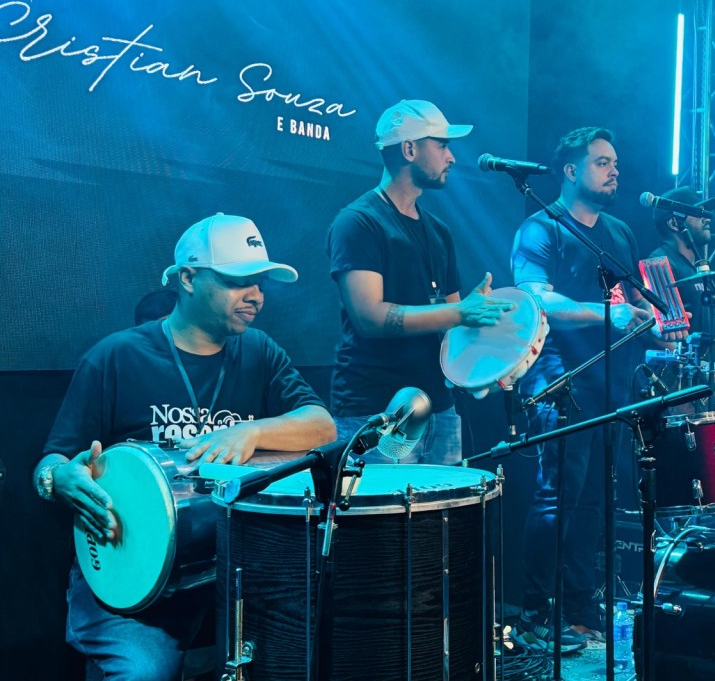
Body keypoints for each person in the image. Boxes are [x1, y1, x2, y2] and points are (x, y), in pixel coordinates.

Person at [32, 213, 337, 681]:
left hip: (231, 569)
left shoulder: (259, 351)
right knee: (144, 671)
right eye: (238, 281)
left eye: (259, 282)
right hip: (134, 574)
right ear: (189, 279)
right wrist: (59, 478)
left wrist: (252, 432)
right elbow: (52, 461)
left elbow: (321, 425)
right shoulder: (116, 356)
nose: (256, 295)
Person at [510, 126, 668, 651]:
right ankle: (534, 611)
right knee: (558, 493)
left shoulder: (619, 232)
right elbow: (536, 300)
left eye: (615, 163)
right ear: (571, 170)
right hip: (559, 377)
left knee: (596, 498)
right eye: (602, 162)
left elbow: (630, 300)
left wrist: (651, 320)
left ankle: (578, 605)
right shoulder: (541, 228)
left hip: (611, 380)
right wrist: (608, 314)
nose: (614, 171)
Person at [325, 99, 514, 465]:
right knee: (381, 503)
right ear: (409, 149)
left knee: (443, 503)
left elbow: (451, 325)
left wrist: (484, 356)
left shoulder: (439, 231)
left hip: (439, 408)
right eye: (442, 145)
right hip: (376, 410)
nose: (451, 157)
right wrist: (460, 312)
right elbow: (369, 317)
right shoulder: (358, 222)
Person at [645, 186, 715, 390]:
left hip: (701, 378)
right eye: (698, 214)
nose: (707, 218)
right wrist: (699, 367)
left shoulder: (698, 268)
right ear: (674, 223)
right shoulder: (659, 264)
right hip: (679, 383)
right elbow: (661, 334)